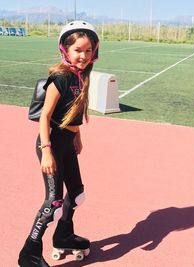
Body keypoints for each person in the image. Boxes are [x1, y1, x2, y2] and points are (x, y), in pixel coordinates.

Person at [18, 20, 99, 267]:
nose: (83, 56)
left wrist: (77, 135)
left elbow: (76, 109)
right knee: (53, 202)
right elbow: (44, 115)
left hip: (67, 142)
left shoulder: (83, 73)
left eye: (88, 50)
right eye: (78, 50)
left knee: (77, 195)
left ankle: (63, 235)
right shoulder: (60, 78)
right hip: (51, 143)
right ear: (65, 50)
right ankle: (29, 254)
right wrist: (46, 152)